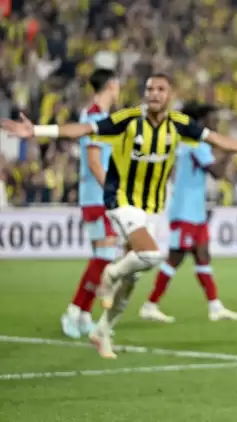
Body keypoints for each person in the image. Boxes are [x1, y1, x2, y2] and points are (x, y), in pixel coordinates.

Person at [2, 73, 237, 359]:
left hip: (152, 208)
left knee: (133, 279)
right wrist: (37, 131)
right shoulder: (128, 119)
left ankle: (103, 330)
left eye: (160, 89)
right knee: (152, 255)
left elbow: (218, 140)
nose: (154, 93)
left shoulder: (179, 125)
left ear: (170, 95)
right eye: (150, 89)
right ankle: (110, 274)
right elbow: (84, 130)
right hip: (120, 200)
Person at [140, 102, 237, 322]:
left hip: (194, 212)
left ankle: (215, 307)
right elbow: (216, 173)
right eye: (212, 119)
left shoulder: (188, 143)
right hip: (185, 212)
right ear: (201, 122)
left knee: (203, 255)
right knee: (176, 258)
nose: (216, 123)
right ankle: (150, 304)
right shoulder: (196, 144)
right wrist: (231, 151)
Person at [60, 68, 120, 339]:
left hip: (95, 195)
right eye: (117, 84)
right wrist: (113, 192)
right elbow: (95, 163)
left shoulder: (98, 116)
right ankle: (73, 311)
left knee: (102, 258)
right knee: (104, 257)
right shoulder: (95, 118)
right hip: (98, 197)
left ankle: (84, 314)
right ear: (111, 85)